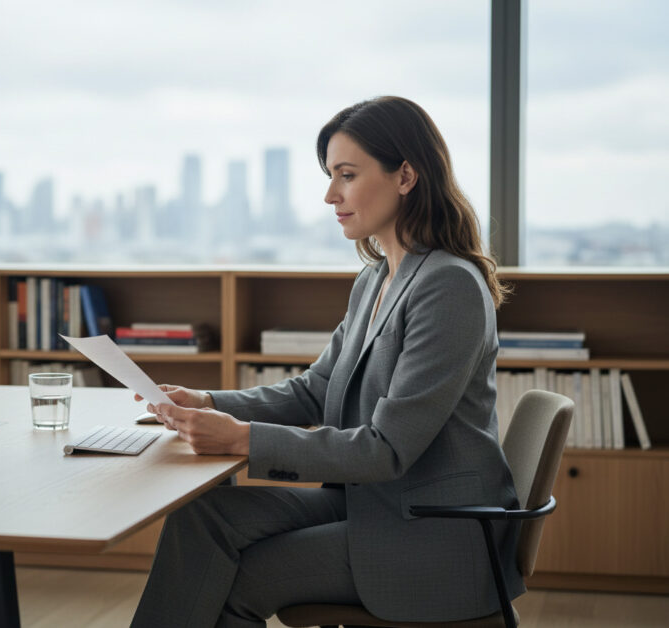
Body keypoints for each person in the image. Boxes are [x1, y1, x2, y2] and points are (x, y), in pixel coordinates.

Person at [130, 96, 524, 628]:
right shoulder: (377, 278)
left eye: (346, 174)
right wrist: (206, 402)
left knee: (232, 577)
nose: (330, 194)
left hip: (431, 533)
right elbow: (316, 390)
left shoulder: (448, 285)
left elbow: (387, 450)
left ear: (405, 175)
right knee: (203, 516)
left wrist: (240, 438)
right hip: (373, 505)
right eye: (330, 175)